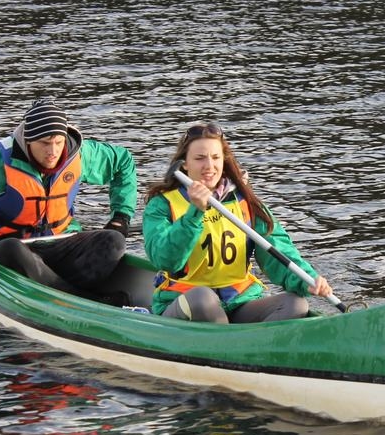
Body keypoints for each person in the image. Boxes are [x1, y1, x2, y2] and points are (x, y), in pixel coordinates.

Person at [0, 98, 138, 305]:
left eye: (58, 142)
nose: (53, 152)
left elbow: (123, 162)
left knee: (113, 240)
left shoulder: (80, 154)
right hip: (7, 248)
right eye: (44, 143)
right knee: (14, 249)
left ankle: (59, 287)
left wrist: (121, 215)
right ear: (28, 140)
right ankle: (84, 299)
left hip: (60, 241)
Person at [142, 122, 333, 323]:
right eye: (199, 158)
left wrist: (307, 280)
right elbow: (165, 259)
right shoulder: (162, 204)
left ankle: (253, 347)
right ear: (185, 164)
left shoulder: (245, 202)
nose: (209, 166)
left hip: (239, 301)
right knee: (202, 297)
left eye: (216, 158)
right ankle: (232, 345)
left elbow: (278, 252)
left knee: (296, 304)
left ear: (224, 160)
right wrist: (194, 213)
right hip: (188, 303)